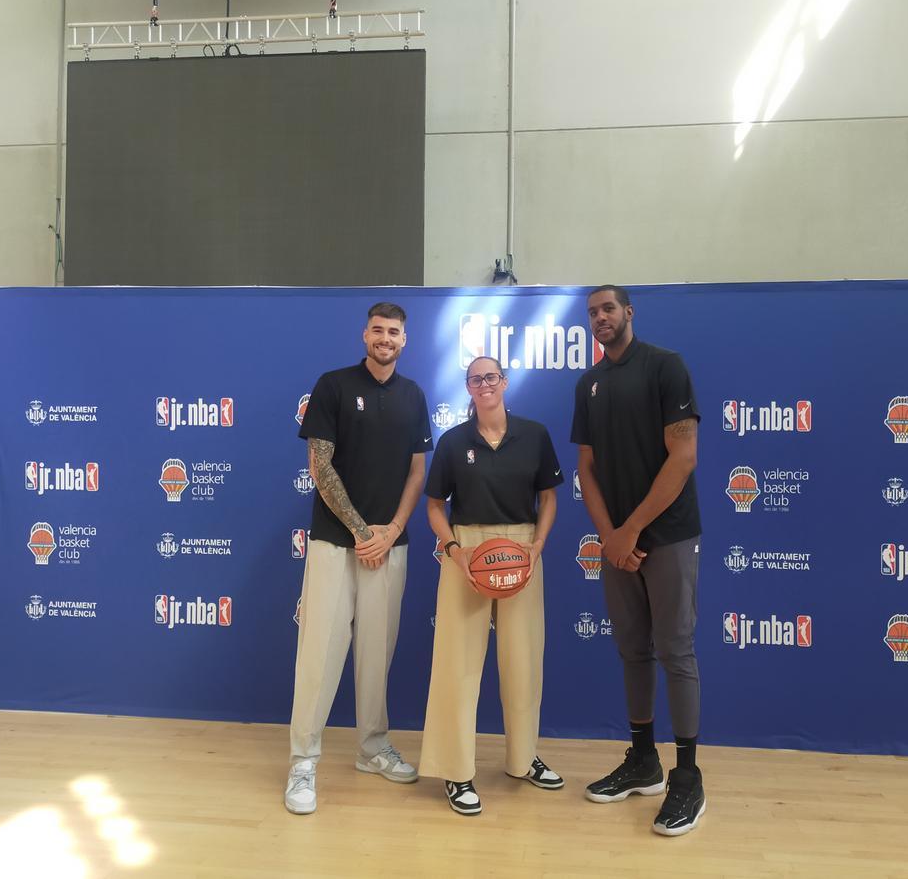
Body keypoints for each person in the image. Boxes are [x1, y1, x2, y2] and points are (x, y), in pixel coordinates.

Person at [284, 302, 432, 815]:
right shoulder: (333, 385)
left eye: (394, 331)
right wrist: (361, 531)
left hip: (390, 546)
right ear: (364, 334)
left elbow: (418, 474)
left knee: (377, 653)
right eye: (378, 330)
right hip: (334, 542)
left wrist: (389, 531)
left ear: (404, 340)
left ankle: (373, 748)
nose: (385, 338)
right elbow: (319, 465)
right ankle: (303, 761)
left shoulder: (414, 395)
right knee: (319, 654)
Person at [570, 284, 706, 837]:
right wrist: (609, 537)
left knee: (675, 650)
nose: (601, 317)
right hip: (618, 545)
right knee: (632, 650)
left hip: (667, 535)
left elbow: (684, 456)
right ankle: (643, 760)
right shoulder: (589, 384)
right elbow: (587, 469)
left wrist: (629, 531)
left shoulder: (665, 368)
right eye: (593, 313)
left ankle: (688, 777)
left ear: (629, 313)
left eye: (609, 309)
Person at [419, 356, 564, 816]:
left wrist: (537, 545)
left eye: (491, 377)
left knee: (523, 661)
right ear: (468, 387)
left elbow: (549, 498)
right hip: (468, 551)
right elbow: (435, 507)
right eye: (475, 379)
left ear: (504, 382)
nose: (484, 385)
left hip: (521, 548)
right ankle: (456, 771)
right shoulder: (453, 441)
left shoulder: (535, 435)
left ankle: (523, 759)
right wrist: (455, 550)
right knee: (456, 665)